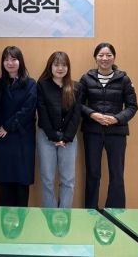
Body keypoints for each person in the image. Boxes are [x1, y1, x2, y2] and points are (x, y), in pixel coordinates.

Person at [79, 42, 138, 209]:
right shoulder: (86, 78)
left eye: (108, 55)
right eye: (101, 55)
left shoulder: (124, 79)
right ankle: (90, 211)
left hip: (117, 133)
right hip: (92, 132)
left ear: (114, 57)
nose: (104, 58)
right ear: (95, 58)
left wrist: (117, 119)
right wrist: (92, 114)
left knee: (117, 174)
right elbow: (78, 104)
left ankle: (115, 212)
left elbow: (132, 106)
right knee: (92, 174)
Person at [0, 46, 37, 207]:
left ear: (20, 61)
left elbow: (28, 109)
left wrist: (8, 126)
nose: (10, 63)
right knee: (5, 181)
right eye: (6, 59)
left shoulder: (31, 83)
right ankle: (4, 220)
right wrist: (3, 127)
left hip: (22, 137)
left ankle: (21, 219)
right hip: (2, 138)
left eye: (14, 59)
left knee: (21, 180)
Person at [37, 51, 81, 208]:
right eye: (56, 65)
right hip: (46, 137)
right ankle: (50, 214)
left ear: (68, 67)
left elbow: (76, 115)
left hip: (69, 138)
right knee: (47, 179)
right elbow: (42, 113)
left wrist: (66, 137)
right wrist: (54, 136)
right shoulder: (42, 85)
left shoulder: (76, 87)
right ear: (50, 67)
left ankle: (64, 214)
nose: (60, 68)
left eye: (63, 65)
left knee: (68, 180)